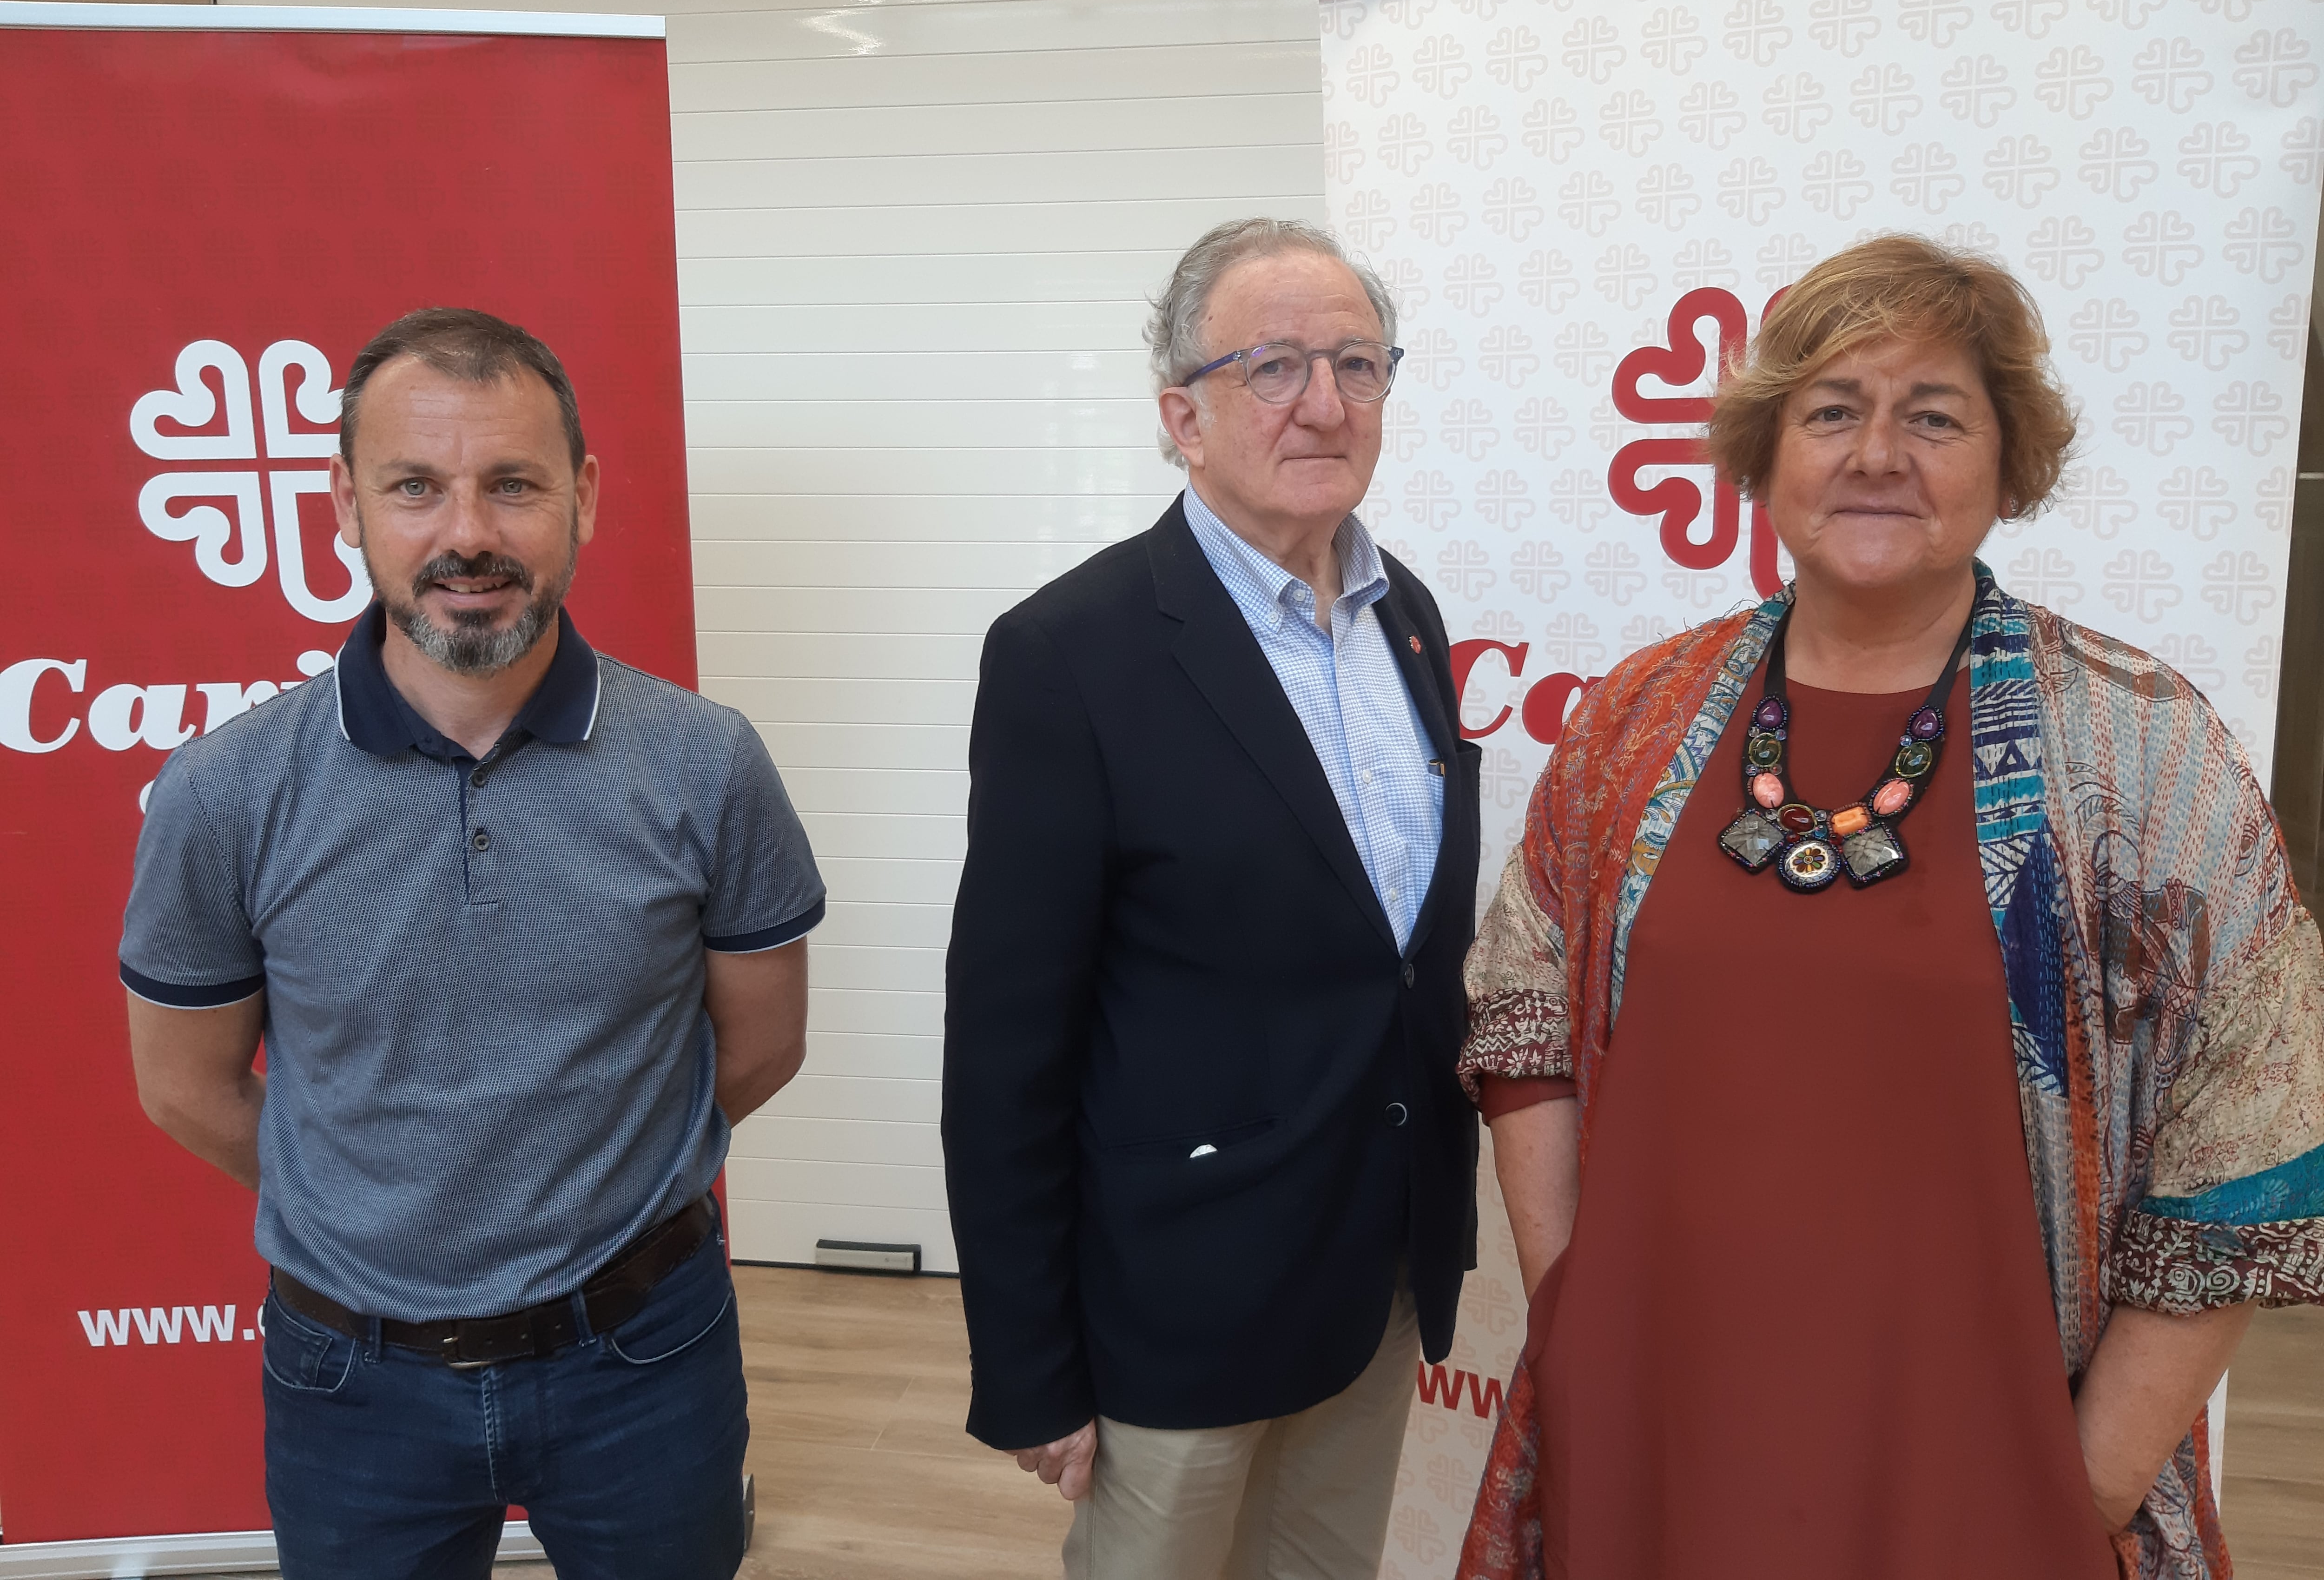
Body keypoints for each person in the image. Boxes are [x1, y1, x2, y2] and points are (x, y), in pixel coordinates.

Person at [1456, 236, 2324, 1580]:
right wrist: (1581, 1317)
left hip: (1984, 1473)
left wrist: (2084, 1484)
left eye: (1933, 415)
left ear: (2007, 459)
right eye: (1831, 413)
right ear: (1766, 453)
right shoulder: (1637, 718)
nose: (1877, 453)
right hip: (1659, 1436)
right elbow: (1523, 1021)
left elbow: (2251, 1138)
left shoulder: (2140, 749)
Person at [119, 309, 824, 1580]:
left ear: (584, 497)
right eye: (415, 488)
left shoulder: (707, 766)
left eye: (513, 486)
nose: (468, 536)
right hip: (353, 1378)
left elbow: (763, 1044)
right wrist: (384, 1208)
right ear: (343, 505)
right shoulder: (223, 793)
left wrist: (590, 1185)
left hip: (644, 1357)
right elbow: (183, 1084)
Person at [942, 218, 1484, 1579]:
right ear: (1181, 414)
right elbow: (1008, 1044)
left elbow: (1395, 960)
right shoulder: (1070, 653)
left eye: (1359, 364)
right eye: (1276, 366)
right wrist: (1028, 1363)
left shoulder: (1403, 612)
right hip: (1176, 1304)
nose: (1325, 402)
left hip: (1377, 1268)